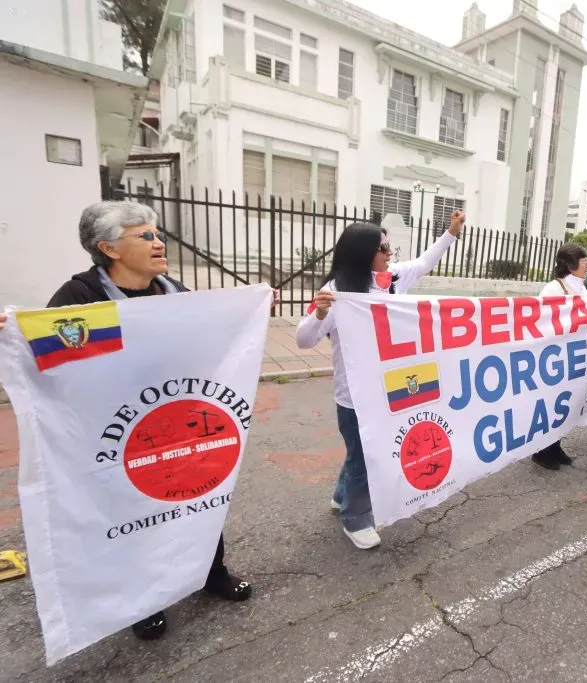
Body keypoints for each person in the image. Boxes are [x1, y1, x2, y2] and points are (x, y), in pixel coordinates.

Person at [19, 201, 257, 642]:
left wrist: (250, 313)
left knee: (197, 497)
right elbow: (48, 361)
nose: (158, 242)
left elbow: (211, 340)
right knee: (136, 513)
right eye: (144, 235)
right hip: (121, 432)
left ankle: (211, 570)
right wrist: (14, 337)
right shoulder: (78, 297)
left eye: (157, 233)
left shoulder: (174, 291)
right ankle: (144, 599)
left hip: (178, 419)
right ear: (107, 247)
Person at [296, 211, 466, 550]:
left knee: (363, 451)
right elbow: (303, 341)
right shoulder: (336, 291)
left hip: (391, 389)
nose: (390, 254)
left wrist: (450, 233)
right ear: (363, 253)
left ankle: (342, 496)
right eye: (383, 248)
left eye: (389, 248)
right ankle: (355, 518)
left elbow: (422, 263)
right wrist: (319, 313)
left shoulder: (391, 280)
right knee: (363, 456)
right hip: (354, 397)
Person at [531, 243, 587, 470]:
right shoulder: (552, 290)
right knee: (548, 406)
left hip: (573, 355)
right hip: (553, 357)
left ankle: (555, 446)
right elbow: (541, 321)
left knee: (564, 405)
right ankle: (541, 451)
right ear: (570, 264)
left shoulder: (582, 288)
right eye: (584, 260)